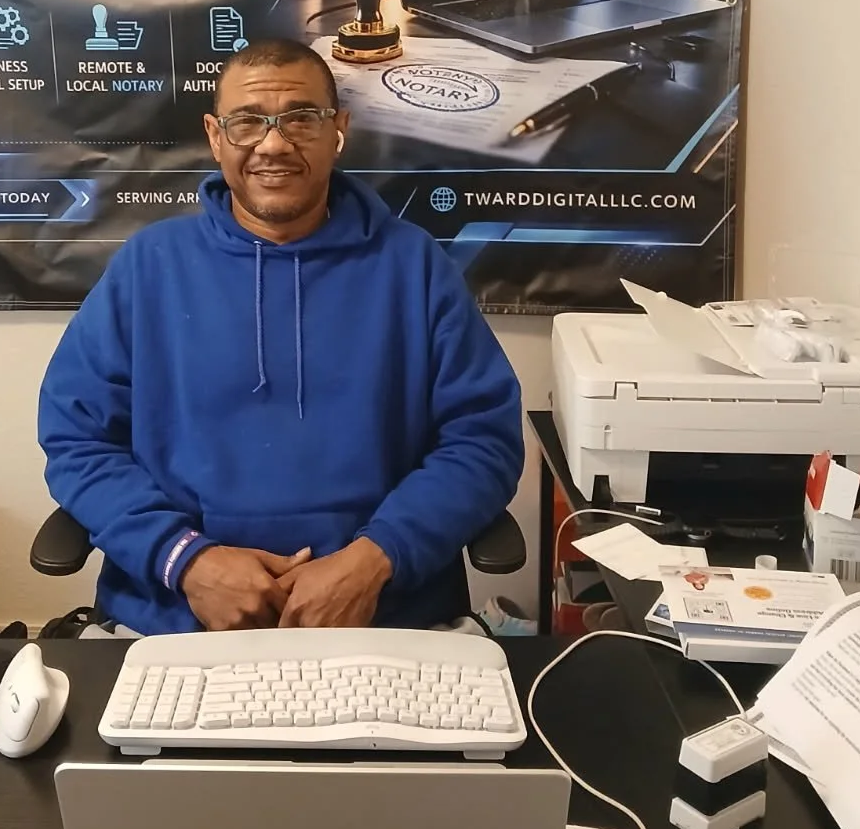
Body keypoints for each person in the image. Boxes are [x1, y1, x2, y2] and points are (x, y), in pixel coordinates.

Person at [38, 37, 523, 635]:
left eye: (301, 119)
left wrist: (374, 561)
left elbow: (482, 442)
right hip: (176, 617)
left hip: (386, 615)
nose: (274, 144)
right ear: (216, 137)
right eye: (248, 123)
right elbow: (77, 440)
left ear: (338, 129)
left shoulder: (414, 266)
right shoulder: (149, 267)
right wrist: (187, 560)